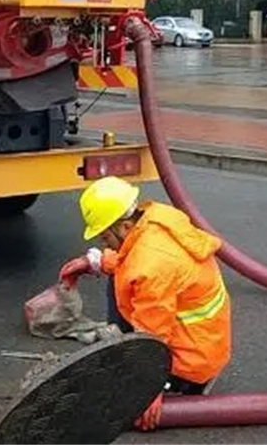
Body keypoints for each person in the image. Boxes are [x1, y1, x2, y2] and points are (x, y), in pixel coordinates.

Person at [58, 175, 231, 431]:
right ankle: (132, 358)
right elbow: (131, 259)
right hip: (202, 343)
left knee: (108, 399)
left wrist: (147, 389)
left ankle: (179, 386)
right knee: (119, 279)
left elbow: (153, 335)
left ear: (125, 227)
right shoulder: (155, 218)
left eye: (105, 238)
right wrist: (95, 262)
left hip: (189, 363)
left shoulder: (152, 267)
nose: (103, 243)